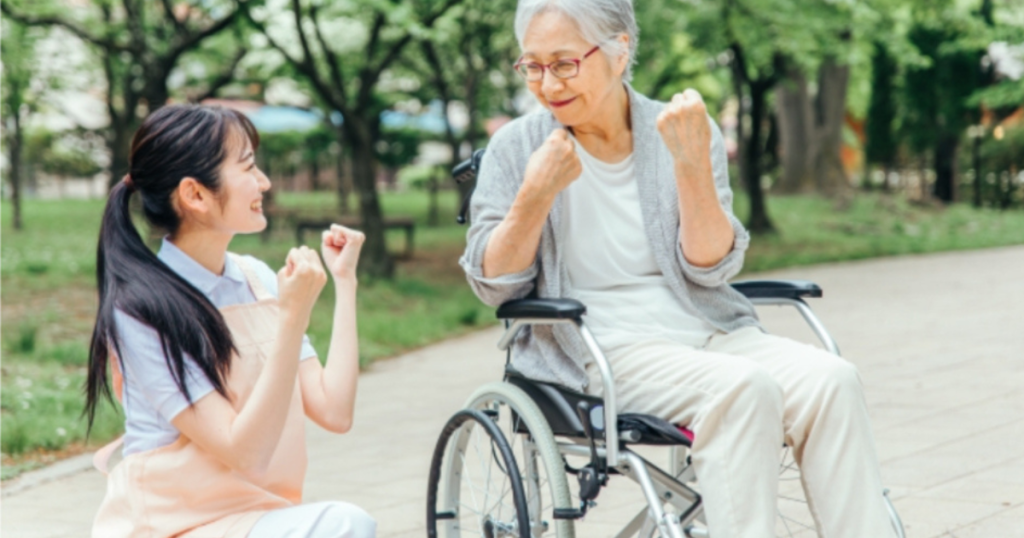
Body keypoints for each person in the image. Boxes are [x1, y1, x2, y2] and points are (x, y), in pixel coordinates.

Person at [459, 1, 898, 536]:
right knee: (742, 388)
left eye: (564, 63)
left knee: (832, 379)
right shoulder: (517, 146)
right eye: (532, 65)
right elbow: (493, 283)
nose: (548, 84)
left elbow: (711, 267)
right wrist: (536, 193)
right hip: (595, 347)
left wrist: (690, 167)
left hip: (704, 328)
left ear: (620, 51)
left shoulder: (682, 129)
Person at [85, 104, 376, 538]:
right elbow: (247, 453)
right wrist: (293, 317)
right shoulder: (141, 311)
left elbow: (334, 411)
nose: (265, 183)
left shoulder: (257, 278)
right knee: (344, 524)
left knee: (346, 523)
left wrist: (345, 282)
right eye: (249, 168)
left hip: (254, 515)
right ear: (196, 195)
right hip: (169, 526)